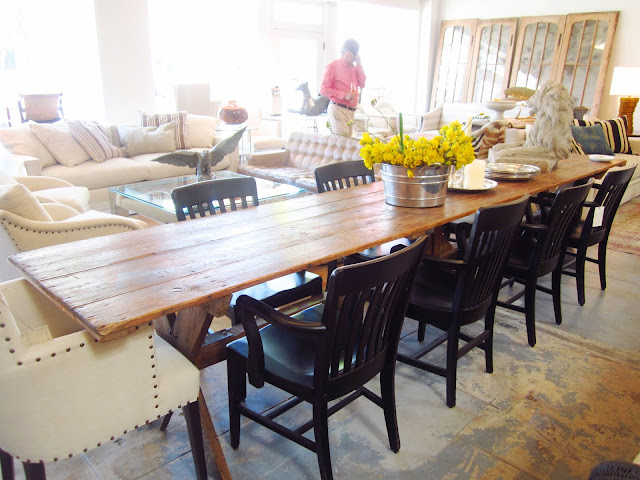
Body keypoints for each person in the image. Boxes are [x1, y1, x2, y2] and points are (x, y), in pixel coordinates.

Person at [320, 38, 366, 136]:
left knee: (349, 143)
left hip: (351, 112)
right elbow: (323, 90)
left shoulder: (355, 68)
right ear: (344, 52)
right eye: (352, 53)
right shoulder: (333, 66)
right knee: (343, 143)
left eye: (356, 53)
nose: (354, 56)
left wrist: (359, 64)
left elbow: (362, 83)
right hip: (338, 109)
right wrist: (343, 95)